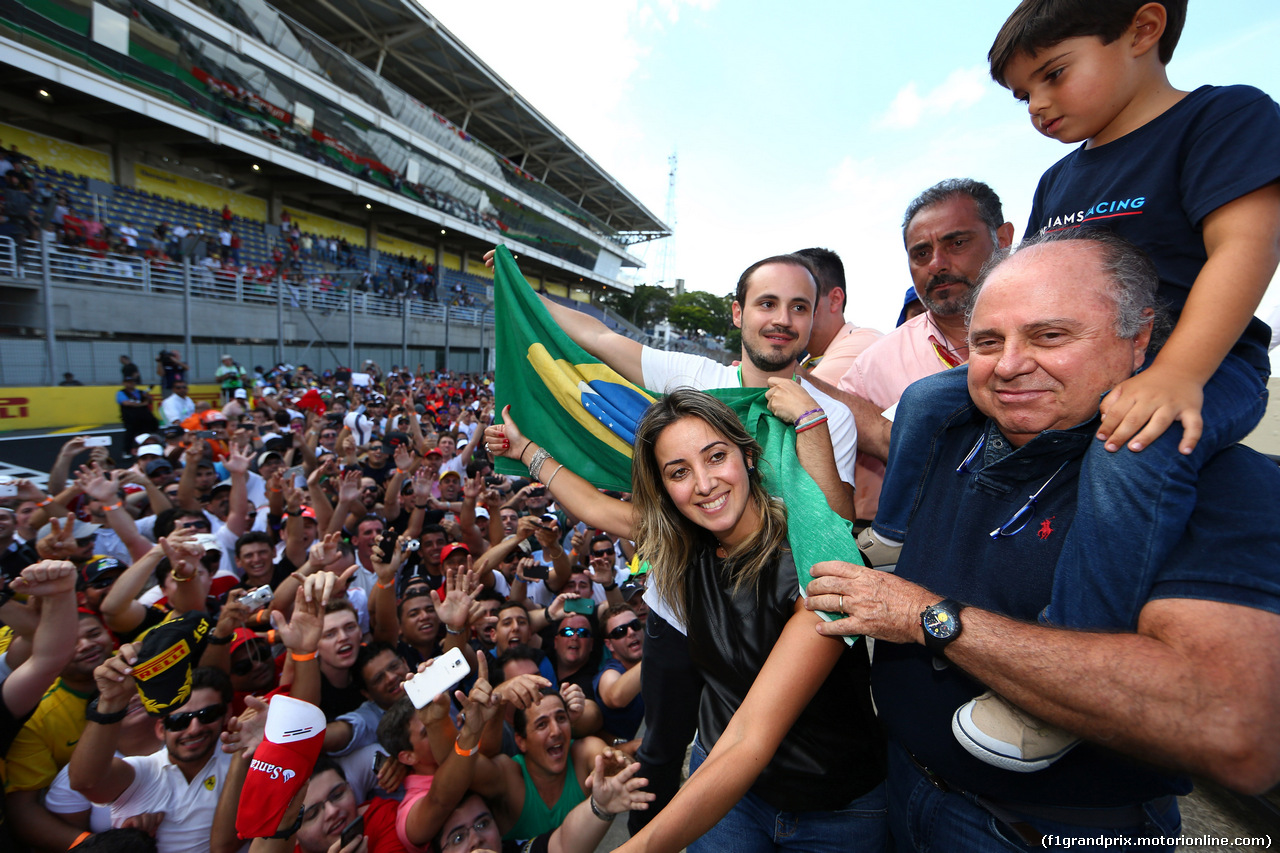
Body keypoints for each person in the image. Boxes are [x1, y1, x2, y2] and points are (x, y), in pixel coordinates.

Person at [875, 0, 1280, 767]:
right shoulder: (1061, 177)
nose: (1040, 107)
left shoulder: (1222, 119)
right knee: (931, 398)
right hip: (1087, 372)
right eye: (1024, 95)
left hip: (1203, 363)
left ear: (1143, 29)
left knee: (1137, 449)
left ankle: (1070, 659)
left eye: (1053, 76)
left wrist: (1178, 372)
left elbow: (1246, 245)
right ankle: (893, 538)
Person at [804, 230, 1280, 851]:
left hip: (1044, 830)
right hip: (900, 791)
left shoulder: (1211, 479)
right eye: (987, 341)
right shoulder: (951, 435)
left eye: (1050, 336)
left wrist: (928, 618)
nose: (1008, 365)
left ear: (1139, 341)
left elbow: (1236, 732)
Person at [484, 394, 885, 852]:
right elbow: (596, 509)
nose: (704, 484)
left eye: (716, 457)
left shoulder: (814, 563)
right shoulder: (683, 544)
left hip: (836, 810)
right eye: (678, 472)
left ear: (748, 456)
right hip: (726, 793)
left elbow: (750, 738)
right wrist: (527, 453)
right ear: (664, 487)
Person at [833, 179, 1013, 531]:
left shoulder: (1061, 340)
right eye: (920, 253)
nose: (937, 264)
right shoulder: (875, 364)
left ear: (1002, 239)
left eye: (957, 243)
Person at [793, 247, 881, 385]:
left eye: (799, 304)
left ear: (835, 299)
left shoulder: (864, 343)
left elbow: (797, 397)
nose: (783, 317)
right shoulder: (810, 359)